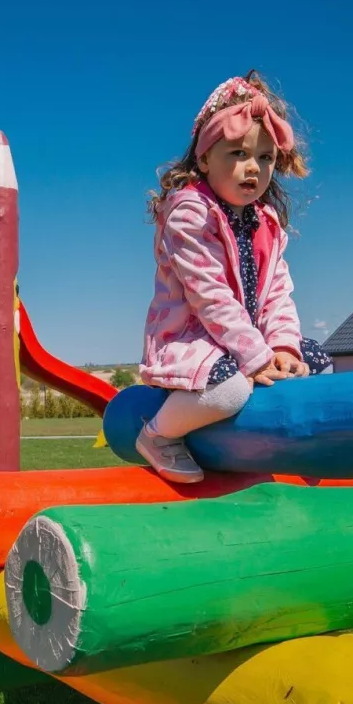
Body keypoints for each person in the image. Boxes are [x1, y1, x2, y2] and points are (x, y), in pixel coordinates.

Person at [135, 72, 331, 482]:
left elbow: (278, 292)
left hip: (246, 344)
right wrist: (256, 357)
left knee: (316, 362)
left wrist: (282, 347)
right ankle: (157, 435)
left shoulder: (266, 222)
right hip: (192, 339)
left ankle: (290, 444)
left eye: (265, 158)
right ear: (205, 158)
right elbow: (210, 295)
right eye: (237, 153)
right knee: (231, 390)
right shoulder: (189, 213)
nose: (253, 168)